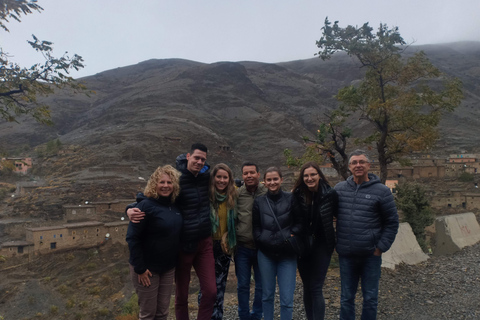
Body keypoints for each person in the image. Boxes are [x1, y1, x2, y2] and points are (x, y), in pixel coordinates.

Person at [127, 143, 216, 320]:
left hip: (199, 244)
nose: (199, 162)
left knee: (210, 291)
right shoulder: (177, 178)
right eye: (196, 157)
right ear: (188, 156)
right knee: (177, 297)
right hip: (182, 246)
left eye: (203, 159)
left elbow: (226, 182)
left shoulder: (206, 177)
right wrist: (129, 208)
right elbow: (149, 198)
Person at [335, 150, 399, 320]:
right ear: (349, 167)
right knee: (346, 298)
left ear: (369, 165)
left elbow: (392, 222)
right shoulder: (340, 189)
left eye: (362, 162)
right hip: (346, 254)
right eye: (354, 162)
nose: (358, 165)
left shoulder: (382, 191)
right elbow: (329, 215)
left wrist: (380, 247)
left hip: (371, 255)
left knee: (370, 298)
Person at [126, 165, 183, 320]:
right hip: (147, 269)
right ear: (154, 184)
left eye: (169, 182)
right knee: (148, 313)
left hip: (168, 268)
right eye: (161, 182)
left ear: (174, 185)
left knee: (163, 312)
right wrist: (140, 268)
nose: (165, 186)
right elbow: (132, 237)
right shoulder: (145, 206)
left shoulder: (174, 206)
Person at [252, 167, 303, 320]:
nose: (272, 182)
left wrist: (291, 234)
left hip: (287, 255)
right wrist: (261, 239)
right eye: (269, 180)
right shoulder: (259, 201)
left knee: (287, 299)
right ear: (264, 182)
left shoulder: (291, 198)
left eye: (275, 179)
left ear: (281, 180)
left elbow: (300, 222)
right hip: (266, 254)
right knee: (267, 295)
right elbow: (255, 226)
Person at [292, 161, 338, 320]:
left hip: (323, 245)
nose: (309, 178)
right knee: (307, 286)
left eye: (313, 174)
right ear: (302, 178)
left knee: (316, 286)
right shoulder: (297, 194)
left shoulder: (330, 194)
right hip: (303, 245)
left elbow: (340, 217)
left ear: (319, 175)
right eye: (306, 175)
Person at [235, 162, 267, 320]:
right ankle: (244, 316)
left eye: (252, 172)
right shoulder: (237, 194)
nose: (249, 176)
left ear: (258, 174)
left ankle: (257, 315)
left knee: (262, 285)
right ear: (242, 176)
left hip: (263, 249)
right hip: (243, 248)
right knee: (242, 285)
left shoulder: (267, 192)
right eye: (246, 173)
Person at [206, 163, 238, 320]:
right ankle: (205, 315)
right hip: (206, 247)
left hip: (224, 247)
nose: (222, 180)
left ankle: (217, 317)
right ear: (213, 178)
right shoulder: (206, 195)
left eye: (225, 177)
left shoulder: (234, 195)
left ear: (230, 179)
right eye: (218, 177)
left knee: (220, 286)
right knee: (207, 287)